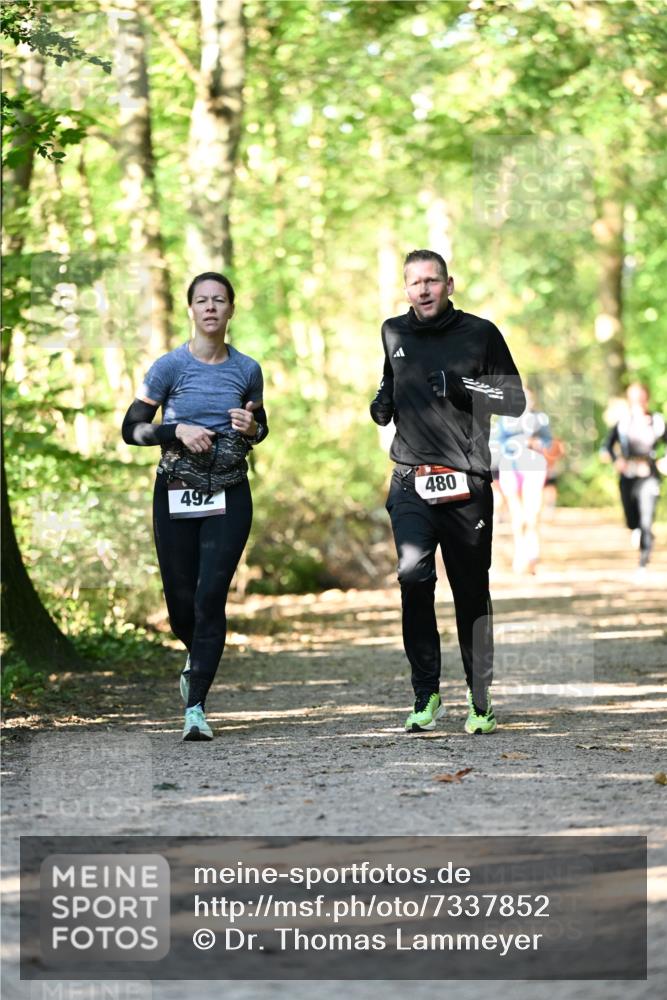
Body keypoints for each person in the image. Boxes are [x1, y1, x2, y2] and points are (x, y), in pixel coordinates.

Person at [370, 249, 525, 735]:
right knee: (412, 577)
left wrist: (462, 385)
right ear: (405, 288)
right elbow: (391, 380)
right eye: (415, 282)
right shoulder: (393, 332)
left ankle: (480, 699)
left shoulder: (480, 333)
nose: (424, 290)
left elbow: (514, 400)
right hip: (410, 478)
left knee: (470, 592)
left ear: (449, 284)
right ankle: (426, 692)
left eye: (432, 281)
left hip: (465, 483)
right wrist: (382, 400)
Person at [122, 272, 268, 741]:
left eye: (219, 300)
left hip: (229, 493)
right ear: (190, 310)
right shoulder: (169, 367)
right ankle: (197, 658)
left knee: (210, 597)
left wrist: (252, 428)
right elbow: (131, 429)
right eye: (201, 300)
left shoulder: (247, 369)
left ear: (231, 310)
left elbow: (260, 425)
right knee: (181, 605)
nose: (210, 307)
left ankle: (196, 707)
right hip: (175, 492)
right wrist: (176, 430)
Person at [601, 382, 666, 572]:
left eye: (641, 398)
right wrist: (616, 460)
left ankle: (643, 561)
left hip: (649, 475)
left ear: (647, 399)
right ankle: (637, 530)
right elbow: (607, 446)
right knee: (631, 519)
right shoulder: (623, 423)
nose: (638, 402)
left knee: (647, 519)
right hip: (628, 475)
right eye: (634, 398)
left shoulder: (657, 421)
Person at [497, 388, 552, 574]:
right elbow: (497, 442)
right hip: (510, 467)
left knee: (533, 514)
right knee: (518, 516)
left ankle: (533, 555)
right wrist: (520, 443)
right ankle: (520, 554)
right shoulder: (505, 419)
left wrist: (539, 444)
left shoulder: (540, 418)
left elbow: (548, 440)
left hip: (534, 467)